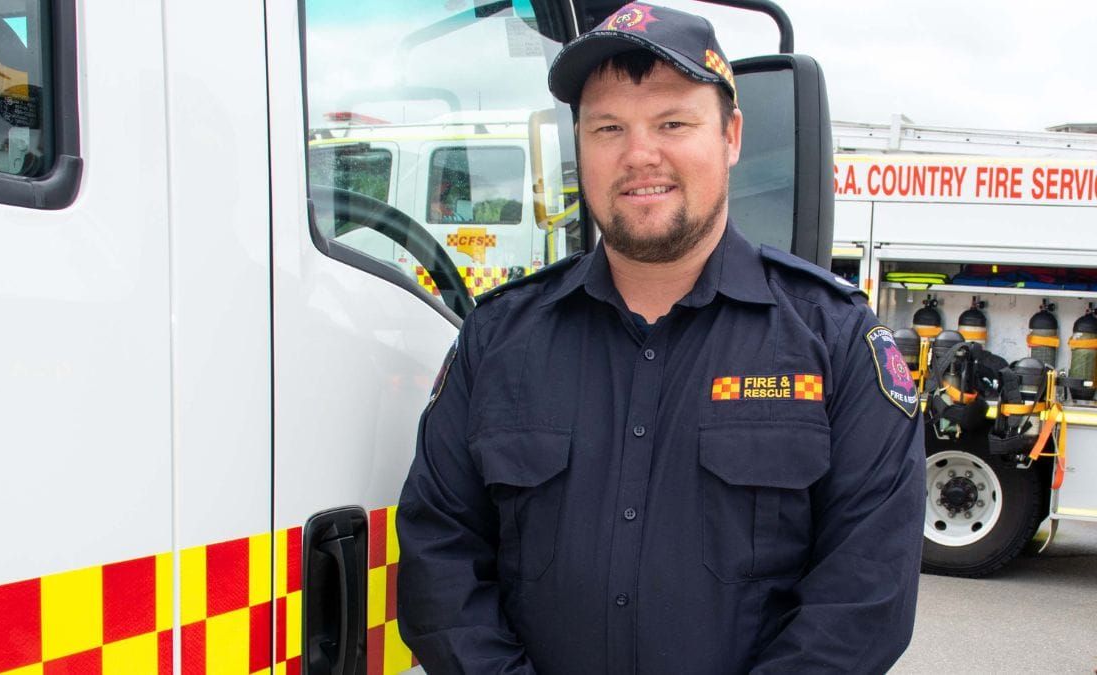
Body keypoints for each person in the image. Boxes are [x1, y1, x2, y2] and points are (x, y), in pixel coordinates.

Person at [396, 3, 925, 673]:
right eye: (608, 127)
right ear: (579, 144)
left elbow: (863, 599)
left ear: (731, 136)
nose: (639, 154)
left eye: (673, 123)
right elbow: (439, 555)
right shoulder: (498, 341)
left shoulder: (837, 341)